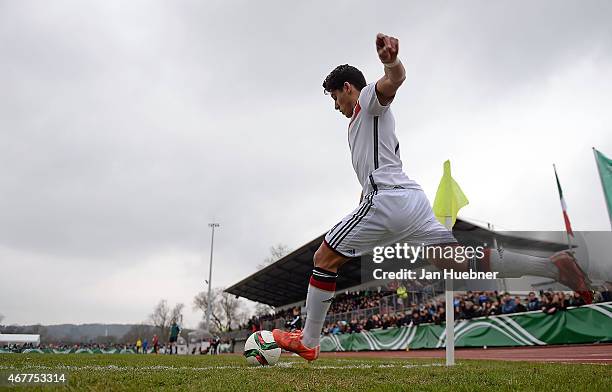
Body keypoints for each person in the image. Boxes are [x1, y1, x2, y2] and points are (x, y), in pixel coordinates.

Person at [272, 33, 592, 362]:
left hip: (388, 201)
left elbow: (393, 81)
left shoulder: (368, 101)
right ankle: (553, 267)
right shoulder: (359, 126)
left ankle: (309, 341)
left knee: (323, 259)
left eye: (335, 97)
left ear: (349, 88)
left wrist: (391, 62)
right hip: (410, 202)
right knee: (455, 260)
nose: (335, 105)